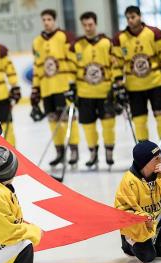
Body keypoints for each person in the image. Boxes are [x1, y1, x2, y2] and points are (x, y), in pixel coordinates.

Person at [112, 6, 161, 166]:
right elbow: (116, 63)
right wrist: (118, 84)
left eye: (133, 17)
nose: (130, 20)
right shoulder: (120, 38)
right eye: (127, 18)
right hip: (134, 87)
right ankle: (145, 154)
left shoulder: (154, 33)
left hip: (156, 83)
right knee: (139, 121)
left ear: (139, 16)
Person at [114, 141, 161, 263]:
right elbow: (123, 213)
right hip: (136, 228)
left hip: (152, 223)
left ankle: (160, 245)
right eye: (157, 158)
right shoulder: (128, 181)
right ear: (145, 163)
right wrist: (144, 218)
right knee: (148, 256)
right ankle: (128, 245)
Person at [32, 9, 80, 167]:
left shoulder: (64, 37)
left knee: (68, 120)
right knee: (53, 122)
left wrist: (73, 83)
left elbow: (73, 61)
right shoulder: (37, 42)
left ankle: (74, 149)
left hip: (63, 86)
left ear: (54, 20)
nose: (46, 22)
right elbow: (37, 68)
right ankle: (60, 151)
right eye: (44, 19)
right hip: (47, 89)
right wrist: (35, 89)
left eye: (49, 19)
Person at [70, 12, 117, 168]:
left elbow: (115, 65)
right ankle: (93, 154)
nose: (88, 28)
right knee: (88, 126)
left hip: (105, 93)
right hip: (85, 94)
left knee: (108, 125)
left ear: (95, 24)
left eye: (90, 24)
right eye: (84, 25)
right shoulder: (77, 46)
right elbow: (72, 68)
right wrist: (71, 86)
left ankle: (109, 152)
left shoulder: (107, 43)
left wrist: (116, 83)